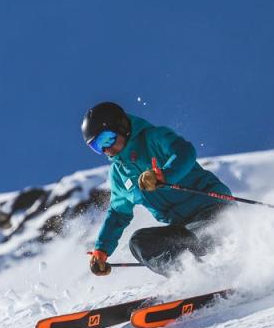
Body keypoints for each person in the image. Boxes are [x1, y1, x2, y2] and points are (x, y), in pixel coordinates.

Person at [82, 102, 233, 277]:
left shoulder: (154, 137)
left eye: (106, 139)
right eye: (97, 147)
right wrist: (101, 250)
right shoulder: (119, 175)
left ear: (121, 126)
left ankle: (224, 271)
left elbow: (184, 152)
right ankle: (191, 278)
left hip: (212, 209)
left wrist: (165, 175)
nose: (106, 149)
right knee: (139, 242)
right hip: (183, 228)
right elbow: (118, 214)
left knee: (203, 236)